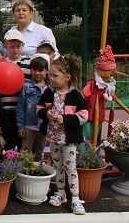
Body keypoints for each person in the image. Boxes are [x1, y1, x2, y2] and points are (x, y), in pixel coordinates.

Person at [37, 56, 88, 216]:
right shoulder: (48, 92)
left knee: (70, 167)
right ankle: (60, 193)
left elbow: (83, 116)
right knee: (57, 165)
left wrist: (63, 118)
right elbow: (38, 108)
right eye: (50, 75)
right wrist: (47, 114)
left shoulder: (76, 95)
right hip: (53, 137)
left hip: (69, 139)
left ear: (67, 77)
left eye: (55, 76)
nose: (51, 78)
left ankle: (76, 198)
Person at [17, 54, 49, 159]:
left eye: (41, 70)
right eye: (34, 70)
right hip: (29, 127)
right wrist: (21, 126)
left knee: (39, 153)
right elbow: (21, 107)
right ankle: (24, 174)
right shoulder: (26, 87)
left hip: (44, 127)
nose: (37, 73)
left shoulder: (50, 89)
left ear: (47, 71)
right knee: (25, 153)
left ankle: (38, 174)